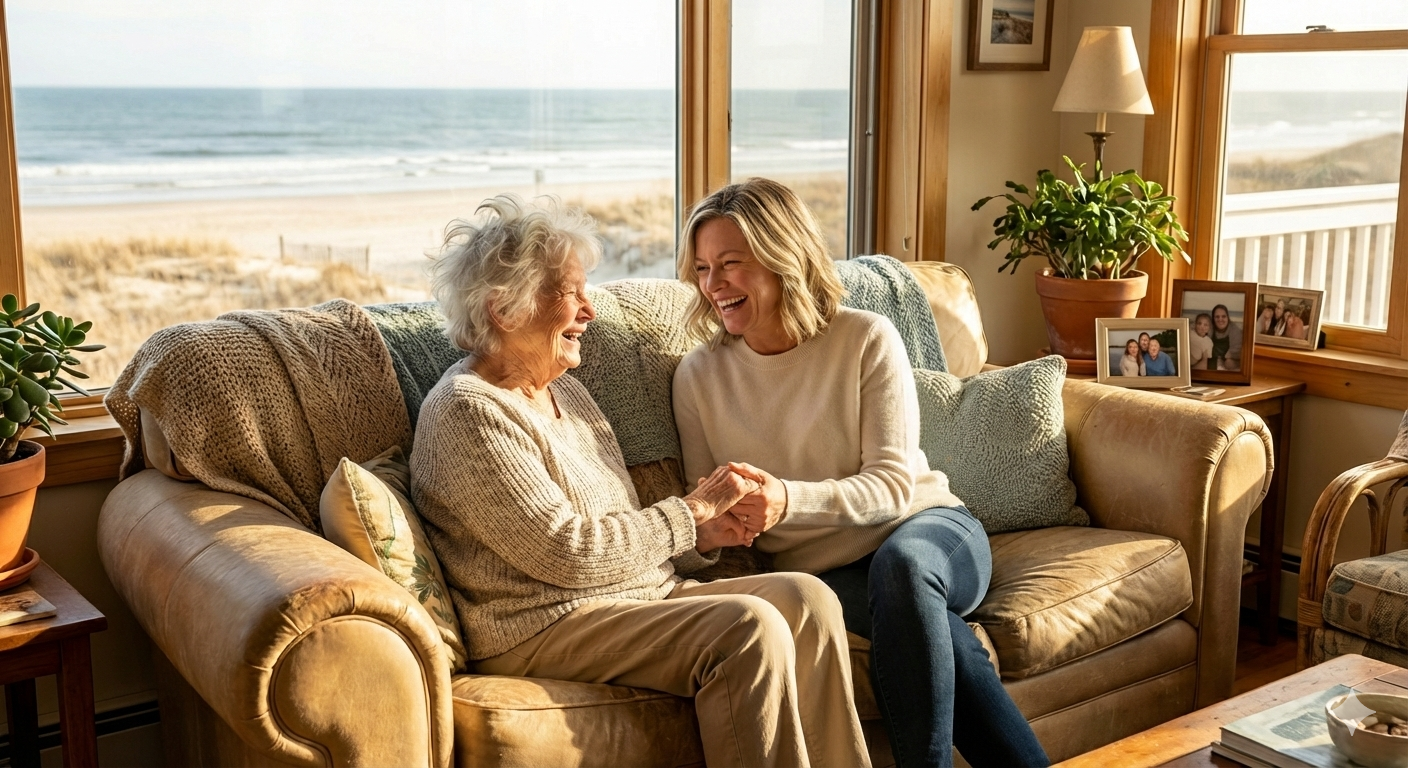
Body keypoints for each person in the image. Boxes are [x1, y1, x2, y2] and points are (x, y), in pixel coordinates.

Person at [411, 194, 871, 768]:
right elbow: (568, 554)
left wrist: (704, 540)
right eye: (571, 293)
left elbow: (618, 528)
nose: (589, 311)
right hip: (542, 624)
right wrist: (692, 514)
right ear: (504, 308)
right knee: (746, 627)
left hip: (632, 598)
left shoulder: (565, 392)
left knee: (805, 597)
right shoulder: (467, 410)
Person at [671, 178, 1049, 768]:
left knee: (904, 570)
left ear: (781, 256)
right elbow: (709, 511)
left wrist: (786, 501)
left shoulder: (865, 338)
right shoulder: (697, 378)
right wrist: (716, 530)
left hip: (929, 532)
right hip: (826, 573)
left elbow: (894, 486)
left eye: (730, 264)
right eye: (700, 268)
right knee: (943, 638)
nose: (713, 285)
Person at [1210, 304, 1242, 371]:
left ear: (1228, 317)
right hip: (1214, 359)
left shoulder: (1235, 330)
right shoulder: (1209, 327)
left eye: (1223, 316)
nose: (1220, 319)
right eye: (1217, 317)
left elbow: (1236, 351)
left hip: (1229, 360)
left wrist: (1224, 359)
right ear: (1213, 318)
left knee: (1229, 363)